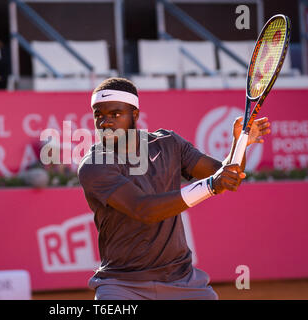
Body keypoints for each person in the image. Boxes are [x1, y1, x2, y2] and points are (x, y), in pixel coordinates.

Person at [77, 77, 271, 300]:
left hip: (183, 280)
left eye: (115, 114)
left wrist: (240, 145)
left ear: (135, 115)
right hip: (122, 285)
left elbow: (223, 174)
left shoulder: (168, 143)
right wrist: (211, 186)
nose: (105, 123)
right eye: (98, 115)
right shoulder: (94, 165)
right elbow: (144, 209)